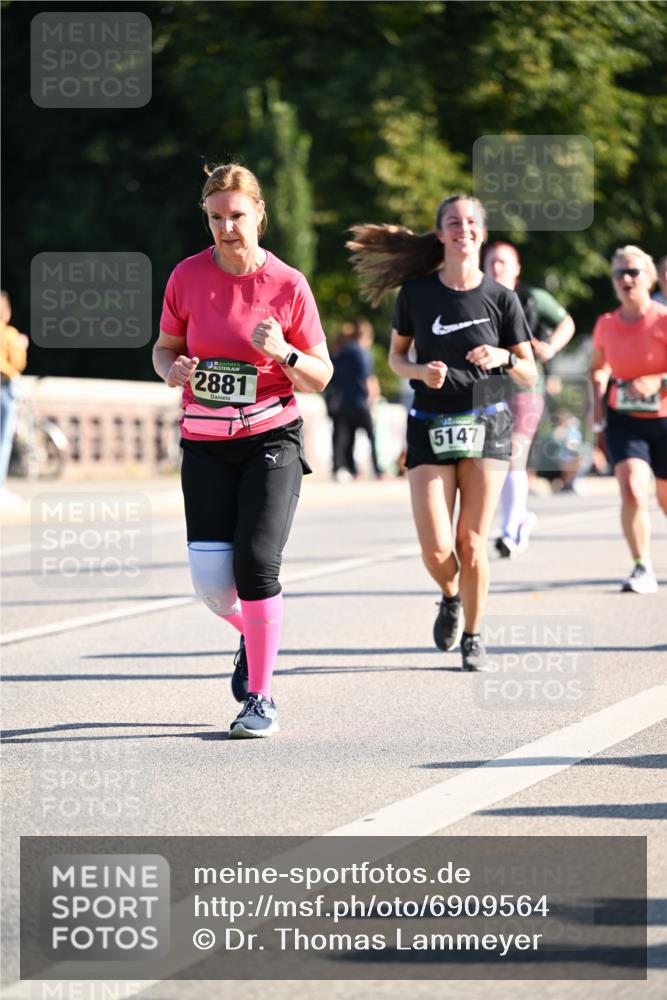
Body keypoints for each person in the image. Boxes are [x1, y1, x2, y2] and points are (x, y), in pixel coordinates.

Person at [153, 163, 332, 737]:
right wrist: (172, 370)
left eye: (237, 215)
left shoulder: (288, 284)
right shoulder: (186, 277)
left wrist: (284, 352)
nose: (227, 228)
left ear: (259, 213)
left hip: (271, 438)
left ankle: (260, 698)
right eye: (215, 217)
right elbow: (164, 349)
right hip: (204, 443)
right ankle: (254, 635)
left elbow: (321, 376)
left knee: (257, 564)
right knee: (211, 585)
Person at [348, 196, 537, 670]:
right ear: (440, 234)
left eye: (472, 222)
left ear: (483, 232)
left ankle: (473, 635)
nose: (463, 229)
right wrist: (418, 374)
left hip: (486, 422)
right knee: (436, 548)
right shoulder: (416, 293)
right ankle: (450, 594)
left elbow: (530, 373)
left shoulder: (501, 297)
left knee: (472, 542)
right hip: (431, 424)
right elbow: (395, 359)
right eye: (453, 222)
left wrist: (505, 358)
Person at [482, 241, 575, 555]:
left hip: (525, 386)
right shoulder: (475, 300)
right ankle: (518, 520)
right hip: (489, 388)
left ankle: (509, 531)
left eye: (504, 262)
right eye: (492, 261)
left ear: (517, 268)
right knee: (495, 460)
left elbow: (566, 323)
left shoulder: (532, 298)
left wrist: (551, 348)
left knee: (513, 454)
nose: (497, 267)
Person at [590, 245, 667, 594]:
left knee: (665, 497)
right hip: (624, 418)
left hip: (665, 419)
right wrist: (597, 399)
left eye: (633, 272)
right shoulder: (606, 324)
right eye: (619, 273)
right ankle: (642, 566)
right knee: (633, 488)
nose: (626, 279)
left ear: (650, 278)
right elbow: (597, 366)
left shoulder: (664, 320)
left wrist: (658, 380)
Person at [329, 318, 383, 480]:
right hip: (360, 400)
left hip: (343, 400)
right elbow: (368, 377)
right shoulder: (362, 353)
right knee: (372, 436)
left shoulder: (342, 351)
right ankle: (377, 470)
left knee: (345, 437)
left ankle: (349, 469)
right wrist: (374, 398)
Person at [0, 291, 29, 506]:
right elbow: (18, 363)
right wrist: (21, 345)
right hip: (4, 387)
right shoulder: (9, 334)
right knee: (3, 440)